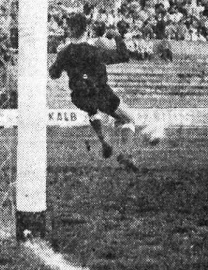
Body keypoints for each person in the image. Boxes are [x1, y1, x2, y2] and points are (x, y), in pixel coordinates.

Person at [48, 13, 139, 171]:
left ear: (69, 30)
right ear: (86, 29)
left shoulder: (64, 52)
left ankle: (104, 139)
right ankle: (126, 153)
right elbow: (124, 56)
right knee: (129, 119)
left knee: (92, 109)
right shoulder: (94, 50)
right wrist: (117, 37)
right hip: (102, 93)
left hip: (79, 95)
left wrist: (60, 60)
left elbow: (53, 74)